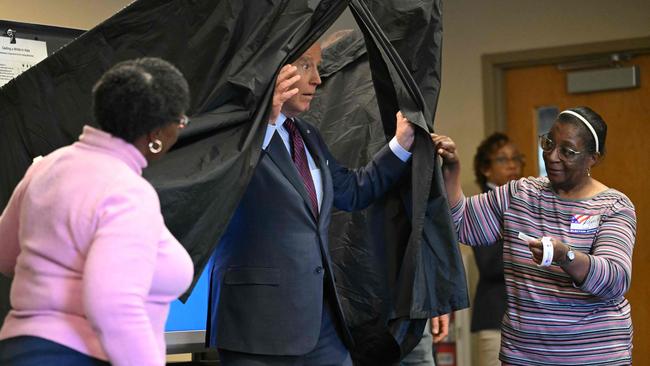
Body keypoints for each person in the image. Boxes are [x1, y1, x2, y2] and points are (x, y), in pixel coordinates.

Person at [208, 42, 415, 365]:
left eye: (318, 66)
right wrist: (264, 122)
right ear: (274, 69)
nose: (317, 79)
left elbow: (352, 191)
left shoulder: (307, 135)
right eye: (306, 65)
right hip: (256, 325)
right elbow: (219, 185)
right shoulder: (233, 133)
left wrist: (401, 146)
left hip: (321, 323)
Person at [0, 58, 194, 366]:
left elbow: (5, 255)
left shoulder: (47, 166)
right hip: (78, 354)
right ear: (158, 134)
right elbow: (113, 305)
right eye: (181, 122)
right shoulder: (128, 192)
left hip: (17, 350)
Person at [432, 107, 636, 365]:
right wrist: (451, 168)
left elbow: (614, 280)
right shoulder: (520, 194)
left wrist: (566, 256)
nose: (551, 156)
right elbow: (461, 224)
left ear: (592, 159)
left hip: (593, 354)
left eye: (567, 151)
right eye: (549, 143)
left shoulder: (613, 207)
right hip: (524, 356)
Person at [470, 133, 523, 366]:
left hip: (531, 322)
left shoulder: (523, 200)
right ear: (486, 169)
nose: (512, 165)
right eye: (502, 159)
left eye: (516, 159)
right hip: (496, 319)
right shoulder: (482, 204)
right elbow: (490, 265)